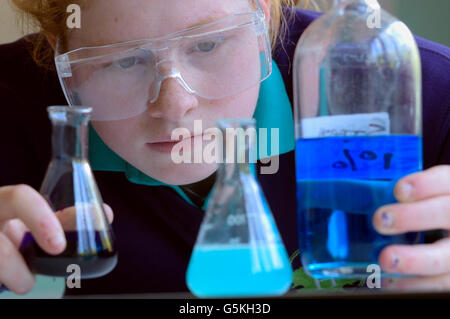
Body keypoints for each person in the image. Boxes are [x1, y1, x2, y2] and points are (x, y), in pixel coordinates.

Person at [0, 0, 448, 296]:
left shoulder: (419, 87)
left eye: (209, 43)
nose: (175, 107)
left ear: (263, 19)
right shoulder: (10, 103)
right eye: (123, 59)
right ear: (65, 62)